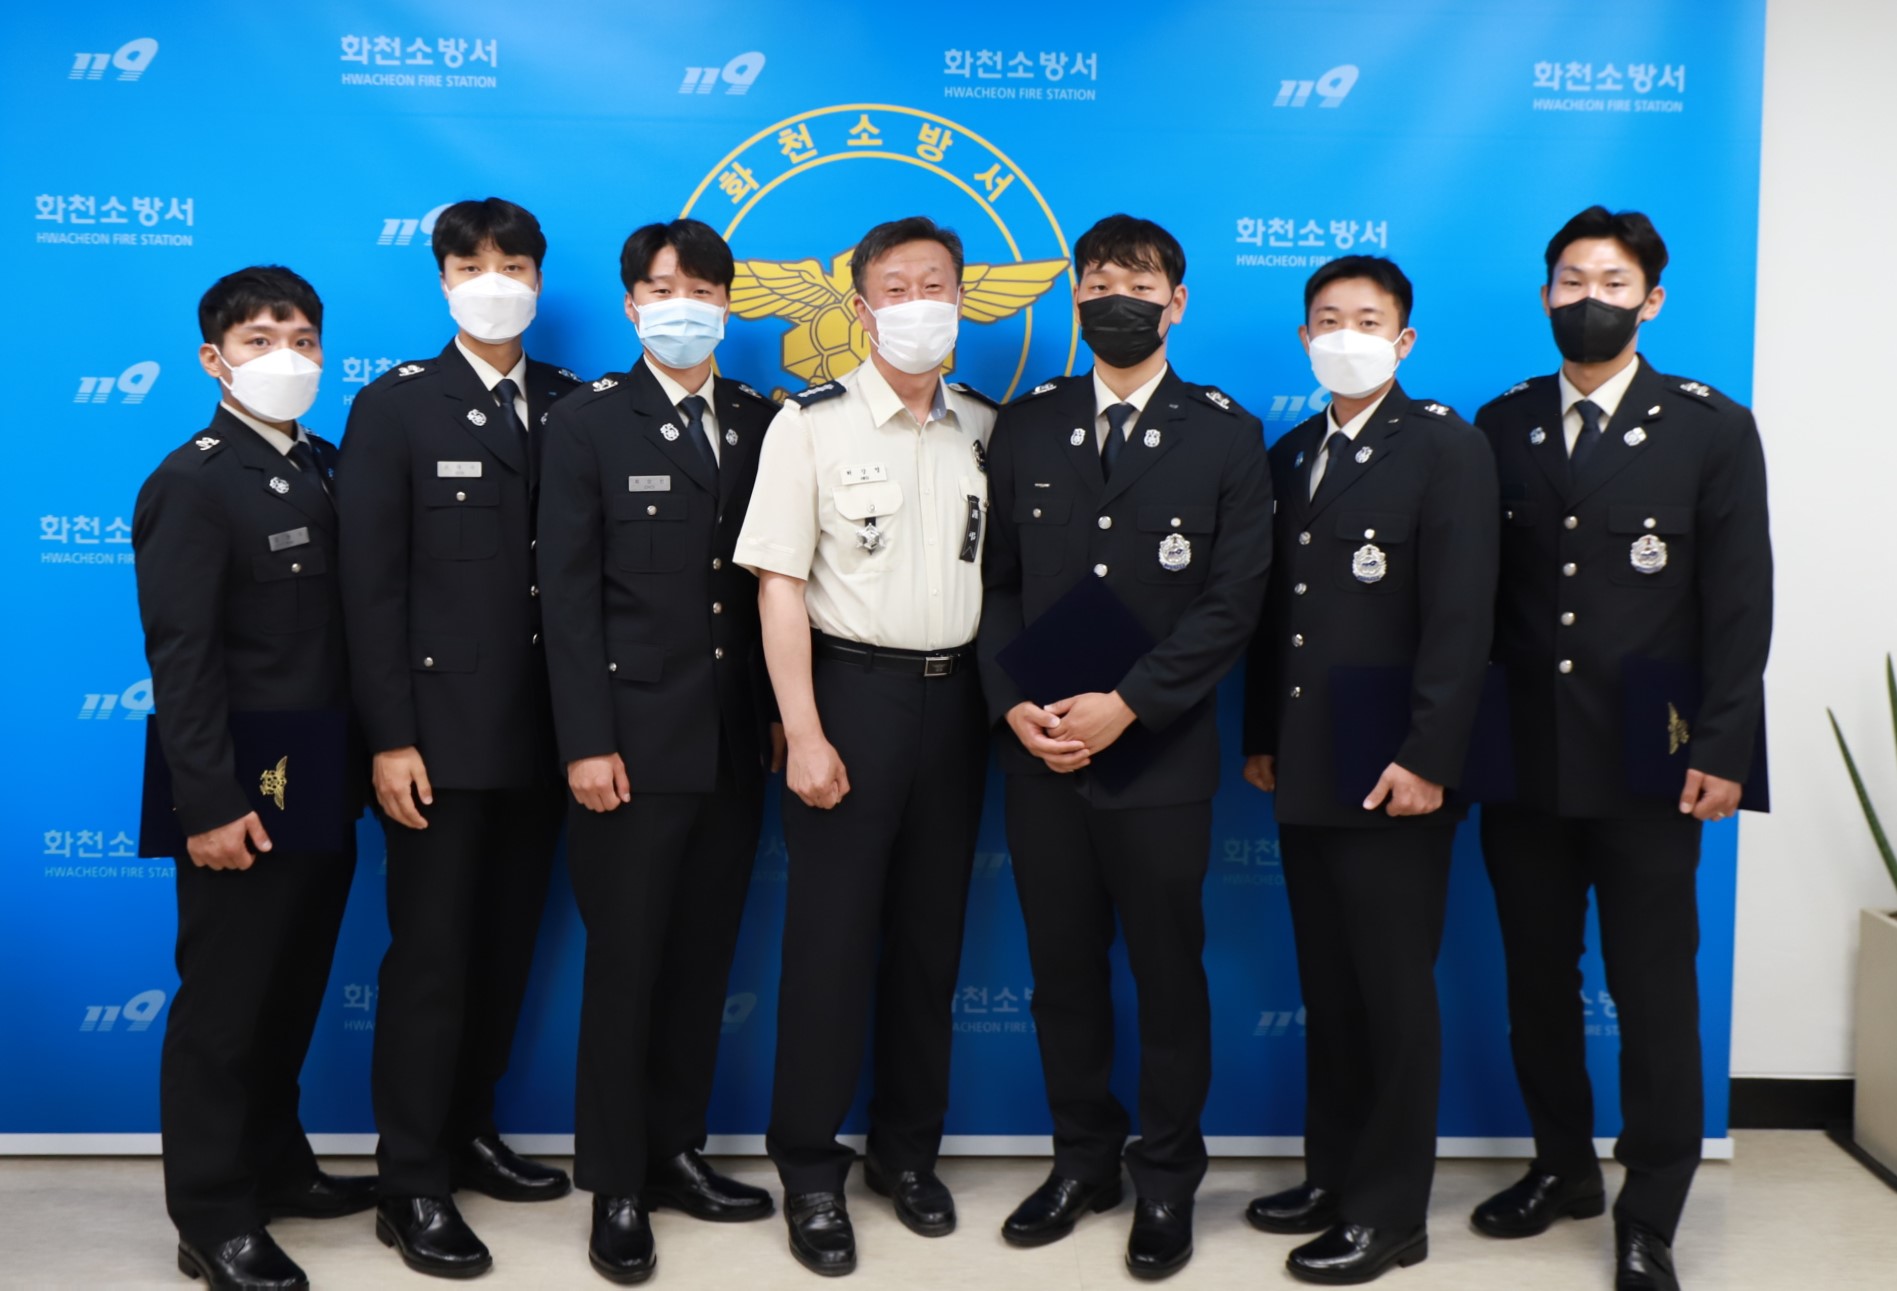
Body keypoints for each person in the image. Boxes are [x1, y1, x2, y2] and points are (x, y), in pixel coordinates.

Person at [1471, 206, 1772, 1291]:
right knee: (1536, 980)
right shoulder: (1502, 423)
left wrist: (1725, 744)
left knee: (1651, 990)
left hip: (1656, 753)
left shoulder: (1708, 425)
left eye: (1610, 281)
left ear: (1650, 299)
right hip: (1522, 752)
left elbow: (1738, 601)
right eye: (1569, 279)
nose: (1587, 297)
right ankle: (1561, 1168)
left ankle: (1650, 1208)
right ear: (1544, 295)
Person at [976, 213, 1273, 1280]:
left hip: (1159, 756)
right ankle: (1082, 1162)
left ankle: (1166, 1179)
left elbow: (1233, 603)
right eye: (1099, 280)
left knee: (1166, 973)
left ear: (1175, 303)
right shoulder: (1028, 425)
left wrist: (1131, 703)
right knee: (1060, 972)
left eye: (1139, 284)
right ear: (1075, 297)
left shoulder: (1224, 434)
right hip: (1042, 749)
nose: (1117, 298)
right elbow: (994, 583)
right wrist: (1011, 704)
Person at [733, 215, 997, 1277]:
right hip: (849, 698)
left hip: (959, 703)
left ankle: (906, 1154)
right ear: (860, 305)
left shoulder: (986, 425)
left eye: (936, 284)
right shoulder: (809, 425)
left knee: (931, 946)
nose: (918, 302)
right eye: (897, 286)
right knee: (830, 947)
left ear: (962, 299)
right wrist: (802, 730)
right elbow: (778, 584)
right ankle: (808, 1169)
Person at [1241, 255, 1500, 1284]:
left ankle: (1390, 1214)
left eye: (1366, 318)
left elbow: (1461, 618)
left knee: (1392, 991)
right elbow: (1277, 618)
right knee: (1332, 985)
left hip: (1397, 762)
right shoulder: (1292, 451)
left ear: (1403, 339)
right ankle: (1333, 1175)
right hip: (1309, 757)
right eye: (1326, 319)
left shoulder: (1445, 446)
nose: (1343, 334)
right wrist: (1261, 733)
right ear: (1304, 337)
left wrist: (1429, 755)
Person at [335, 196, 579, 1279]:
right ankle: (411, 1180)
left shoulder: (570, 402)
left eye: (512, 264)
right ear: (442, 281)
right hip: (436, 741)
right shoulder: (395, 406)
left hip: (549, 738)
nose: (494, 281)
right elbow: (369, 588)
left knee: (504, 949)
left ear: (538, 279)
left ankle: (472, 1130)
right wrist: (389, 737)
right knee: (432, 960)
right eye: (472, 265)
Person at [538, 218, 784, 1284]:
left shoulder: (763, 418)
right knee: (627, 966)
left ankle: (677, 1149)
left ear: (727, 303)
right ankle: (617, 1182)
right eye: (659, 287)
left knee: (699, 960)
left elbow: (772, 585)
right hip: (629, 747)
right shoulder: (589, 421)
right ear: (631, 304)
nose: (681, 303)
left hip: (732, 741)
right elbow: (567, 598)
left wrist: (776, 712)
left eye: (701, 287)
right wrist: (586, 743)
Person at [134, 266, 374, 1290]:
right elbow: (181, 657)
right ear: (214, 358)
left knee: (291, 988)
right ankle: (213, 1214)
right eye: (261, 339)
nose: (288, 356)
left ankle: (279, 1165)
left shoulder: (324, 463)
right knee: (227, 1007)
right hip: (241, 779)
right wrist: (211, 800)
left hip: (319, 766)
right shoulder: (192, 481)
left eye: (303, 338)